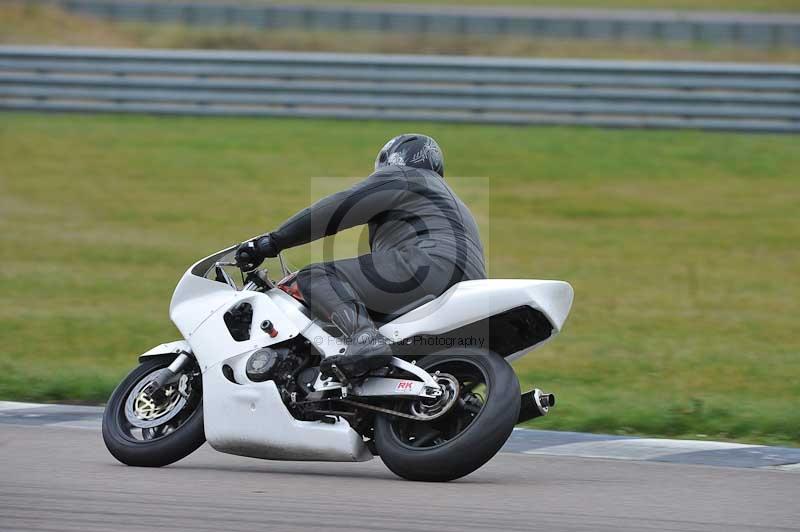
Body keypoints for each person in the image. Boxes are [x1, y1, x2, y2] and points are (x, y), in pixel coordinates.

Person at [235, 134, 486, 379]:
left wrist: (272, 242)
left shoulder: (406, 177)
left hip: (427, 266)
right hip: (469, 286)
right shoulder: (447, 200)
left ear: (393, 159)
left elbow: (339, 207)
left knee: (317, 275)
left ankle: (365, 339)